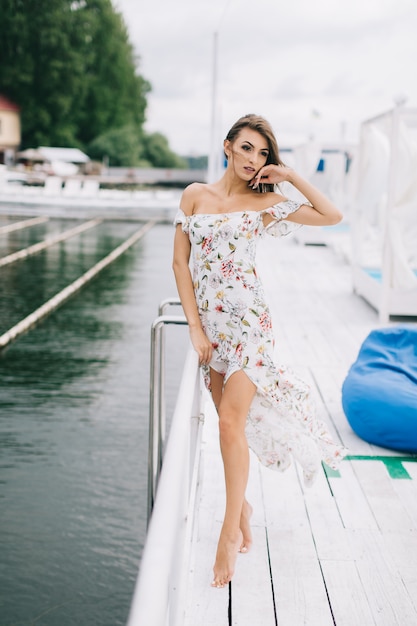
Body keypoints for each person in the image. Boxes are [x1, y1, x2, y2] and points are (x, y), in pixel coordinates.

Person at [172, 114, 347, 589]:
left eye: (263, 154)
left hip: (250, 328)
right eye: (247, 148)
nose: (254, 160)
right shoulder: (194, 196)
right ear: (227, 146)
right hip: (211, 330)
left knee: (230, 423)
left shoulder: (266, 204)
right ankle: (242, 504)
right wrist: (194, 328)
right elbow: (180, 263)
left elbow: (333, 216)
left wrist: (289, 177)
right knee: (232, 427)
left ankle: (229, 533)